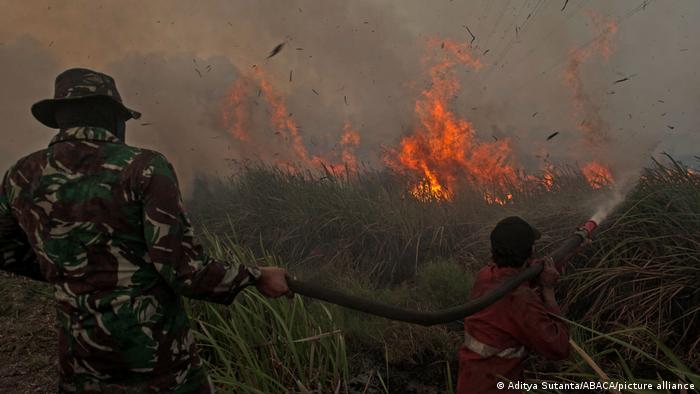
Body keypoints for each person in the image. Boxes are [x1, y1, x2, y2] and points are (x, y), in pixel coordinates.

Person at [0, 68, 292, 393]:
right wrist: (256, 275)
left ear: (61, 119)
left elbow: (6, 250)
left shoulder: (20, 176)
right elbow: (185, 271)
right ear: (113, 118)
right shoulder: (145, 167)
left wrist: (69, 271)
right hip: (159, 365)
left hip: (81, 363)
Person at [456, 216, 571, 393]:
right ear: (531, 250)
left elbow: (525, 272)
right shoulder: (520, 299)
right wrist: (549, 292)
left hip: (471, 382)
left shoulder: (486, 274)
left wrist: (570, 251)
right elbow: (558, 348)